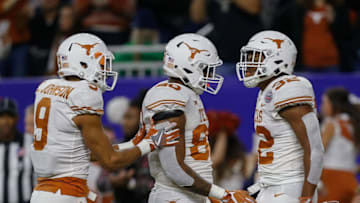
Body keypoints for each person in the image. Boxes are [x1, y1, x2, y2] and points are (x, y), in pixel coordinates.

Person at [29, 33, 180, 203]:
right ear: (83, 63)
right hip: (68, 194)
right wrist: (151, 143)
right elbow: (110, 160)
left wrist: (137, 141)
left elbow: (88, 154)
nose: (104, 70)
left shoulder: (46, 87)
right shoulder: (83, 93)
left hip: (43, 193)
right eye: (101, 63)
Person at [141, 33, 255, 203]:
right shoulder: (170, 98)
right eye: (206, 68)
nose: (210, 74)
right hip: (174, 196)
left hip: (187, 196)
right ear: (188, 66)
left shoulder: (185, 95)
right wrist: (224, 195)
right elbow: (174, 169)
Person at [236, 30, 324, 202]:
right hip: (271, 187)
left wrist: (307, 196)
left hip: (290, 188)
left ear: (277, 59)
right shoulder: (267, 90)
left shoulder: (288, 88)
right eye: (248, 57)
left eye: (255, 57)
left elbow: (314, 149)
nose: (248, 63)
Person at [318, 87, 360, 203]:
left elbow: (319, 153)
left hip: (330, 179)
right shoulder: (356, 124)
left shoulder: (331, 123)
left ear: (334, 104)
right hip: (351, 181)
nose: (322, 106)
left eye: (325, 102)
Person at [0, 97, 34, 203]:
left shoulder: (31, 142)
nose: (6, 121)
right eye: (2, 116)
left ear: (17, 118)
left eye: (10, 116)